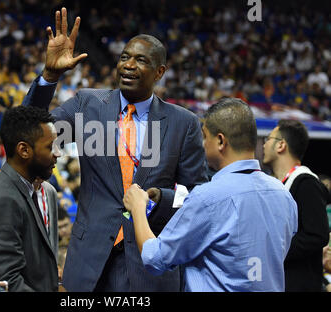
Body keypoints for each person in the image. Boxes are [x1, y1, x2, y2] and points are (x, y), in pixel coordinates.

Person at [22, 7, 207, 291]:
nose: (129, 65)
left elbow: (197, 196)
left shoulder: (184, 123)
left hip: (151, 264)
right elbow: (30, 133)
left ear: (159, 71)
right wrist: (49, 76)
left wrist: (160, 199)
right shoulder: (87, 104)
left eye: (140, 60)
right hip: (89, 263)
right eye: (124, 57)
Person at [123, 98, 298, 291]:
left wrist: (138, 208)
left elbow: (154, 259)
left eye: (205, 137)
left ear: (221, 141)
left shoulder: (208, 197)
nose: (203, 144)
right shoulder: (284, 195)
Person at [0, 106, 61, 292]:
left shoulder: (34, 191)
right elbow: (5, 280)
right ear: (24, 150)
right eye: (50, 147)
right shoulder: (2, 198)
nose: (57, 153)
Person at [262, 119, 329, 291]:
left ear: (281, 145)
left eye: (268, 139)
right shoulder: (275, 184)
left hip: (300, 284)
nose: (263, 145)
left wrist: (274, 250)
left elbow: (316, 235)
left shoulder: (306, 182)